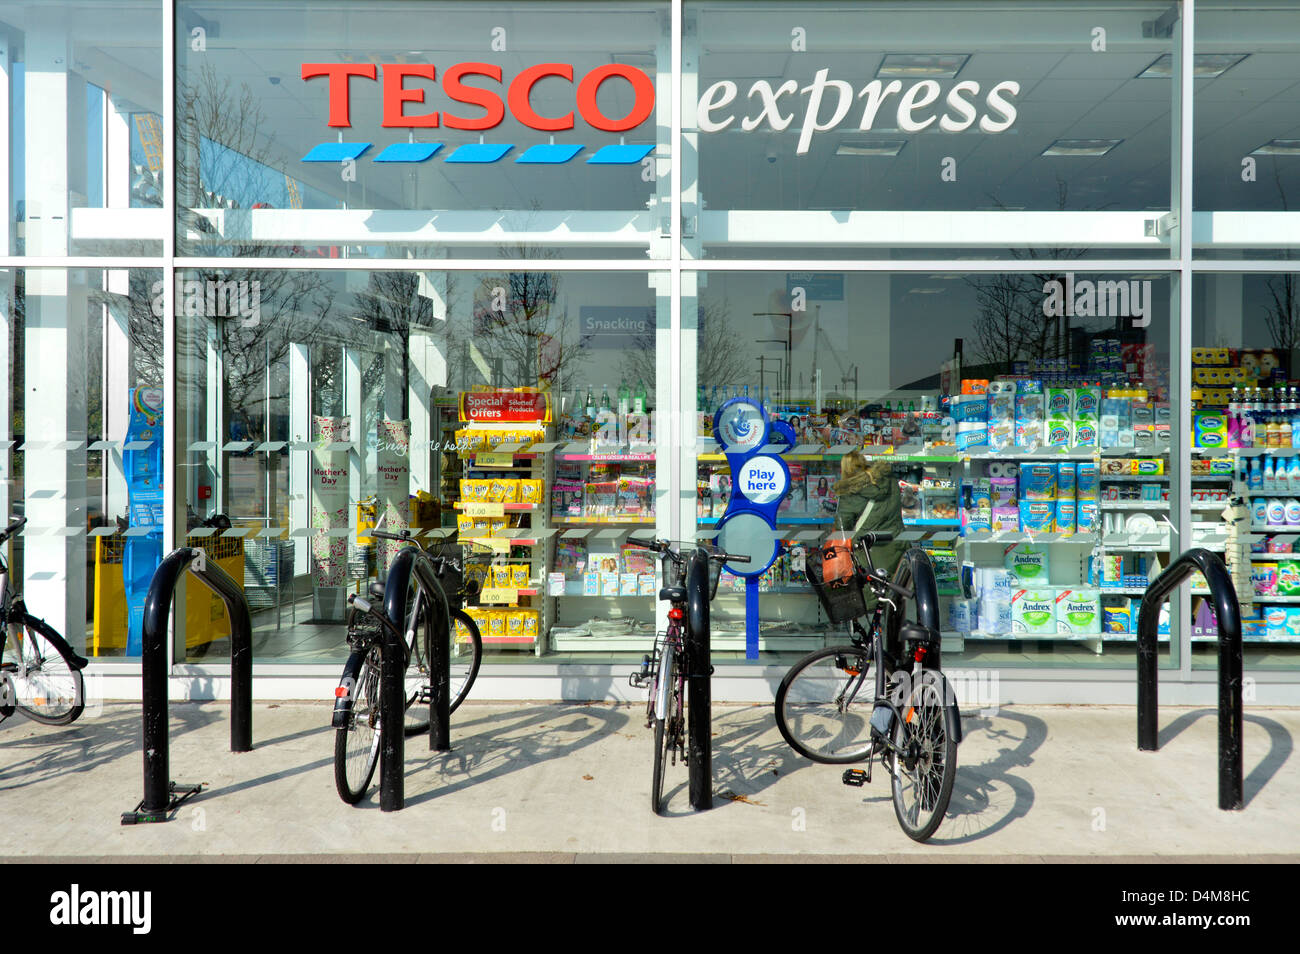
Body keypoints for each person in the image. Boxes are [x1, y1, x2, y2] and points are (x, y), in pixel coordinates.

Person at [833, 449, 905, 608]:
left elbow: (842, 528)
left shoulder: (850, 490)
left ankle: (875, 630)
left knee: (871, 599)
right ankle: (890, 627)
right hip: (895, 546)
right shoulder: (889, 480)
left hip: (867, 552)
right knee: (893, 594)